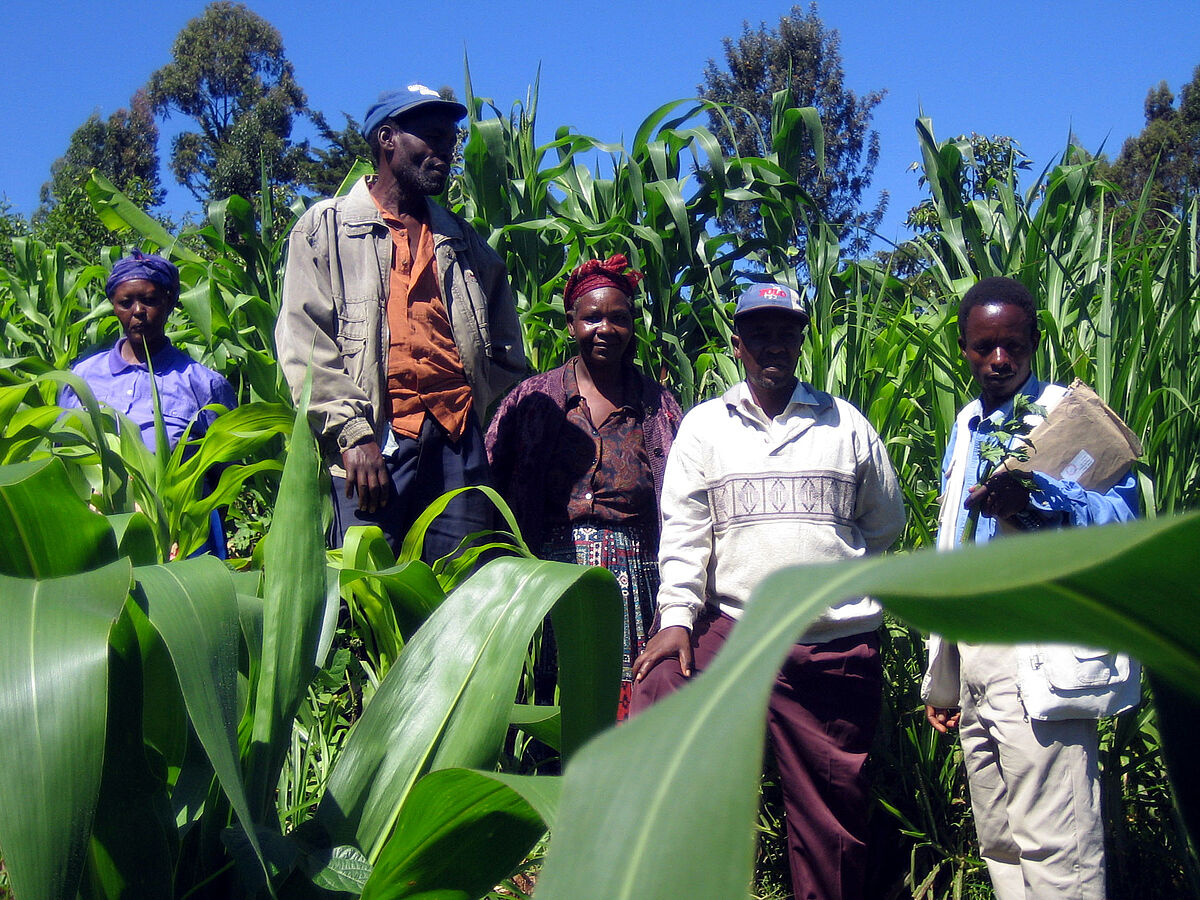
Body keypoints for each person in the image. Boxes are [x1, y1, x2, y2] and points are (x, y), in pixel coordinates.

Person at [630, 282, 905, 900]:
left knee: (831, 820)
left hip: (829, 644)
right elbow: (685, 534)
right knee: (660, 685)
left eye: (786, 332)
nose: (773, 345)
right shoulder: (705, 428)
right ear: (738, 345)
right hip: (738, 632)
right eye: (760, 333)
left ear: (802, 341)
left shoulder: (845, 425)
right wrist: (676, 616)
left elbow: (886, 521)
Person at [921, 276, 1139, 900]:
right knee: (1002, 840)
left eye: (1012, 345)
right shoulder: (966, 425)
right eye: (983, 346)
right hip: (975, 653)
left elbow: (1121, 523)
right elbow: (953, 538)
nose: (998, 360)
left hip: (1037, 651)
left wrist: (1043, 500)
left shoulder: (1073, 418)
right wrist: (946, 670)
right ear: (963, 346)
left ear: (1034, 341)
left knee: (1058, 849)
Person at [276, 83, 525, 562]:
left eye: (451, 139)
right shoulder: (325, 229)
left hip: (458, 451)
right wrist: (353, 434)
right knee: (371, 598)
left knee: (462, 598)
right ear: (387, 139)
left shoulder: (464, 242)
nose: (447, 149)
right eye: (431, 136)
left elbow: (507, 352)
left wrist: (474, 422)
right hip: (373, 452)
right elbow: (306, 345)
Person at [486, 255, 683, 719]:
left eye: (618, 318)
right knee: (551, 703)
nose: (605, 329)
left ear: (633, 325)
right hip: (549, 575)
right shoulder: (534, 401)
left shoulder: (656, 406)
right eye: (592, 317)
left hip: (634, 577)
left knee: (627, 710)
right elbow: (492, 475)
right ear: (571, 323)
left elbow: (685, 499)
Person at [59, 250, 236, 557]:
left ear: (168, 302)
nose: (138, 311)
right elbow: (66, 457)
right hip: (98, 530)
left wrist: (186, 524)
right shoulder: (82, 379)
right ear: (114, 307)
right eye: (125, 302)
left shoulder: (203, 384)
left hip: (180, 538)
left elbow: (224, 474)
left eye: (150, 300)